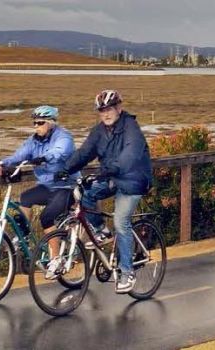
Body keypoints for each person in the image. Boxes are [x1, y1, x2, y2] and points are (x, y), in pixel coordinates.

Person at [56, 90, 153, 293]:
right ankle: (101, 231)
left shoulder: (131, 127)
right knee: (84, 193)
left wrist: (111, 169)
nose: (106, 114)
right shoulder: (99, 131)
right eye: (102, 111)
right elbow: (84, 153)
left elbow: (131, 154)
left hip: (133, 180)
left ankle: (127, 273)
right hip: (112, 177)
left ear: (119, 108)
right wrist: (66, 169)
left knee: (121, 221)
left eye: (109, 109)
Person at [0, 105, 79, 279]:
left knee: (46, 217)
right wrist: (1, 163)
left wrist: (44, 157)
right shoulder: (33, 140)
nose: (36, 126)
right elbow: (19, 155)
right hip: (47, 186)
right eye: (34, 123)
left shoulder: (63, 136)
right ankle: (25, 240)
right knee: (25, 198)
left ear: (51, 123)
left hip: (65, 186)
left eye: (40, 123)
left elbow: (59, 152)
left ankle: (55, 259)